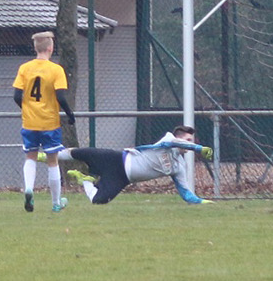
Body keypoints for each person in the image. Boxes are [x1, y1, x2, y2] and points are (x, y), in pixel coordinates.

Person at [46, 125, 214, 205]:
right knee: (81, 153)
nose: (190, 143)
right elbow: (178, 143)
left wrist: (201, 202)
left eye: (193, 141)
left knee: (98, 201)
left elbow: (186, 194)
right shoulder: (168, 140)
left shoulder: (179, 168)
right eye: (188, 140)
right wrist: (199, 148)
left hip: (123, 178)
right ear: (179, 138)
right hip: (118, 159)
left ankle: (85, 180)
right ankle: (48, 155)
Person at [13, 30, 76, 212]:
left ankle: (29, 189)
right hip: (49, 122)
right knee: (52, 161)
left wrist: (27, 109)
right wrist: (70, 115)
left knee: (30, 157)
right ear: (50, 47)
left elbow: (17, 95)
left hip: (30, 122)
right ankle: (56, 203)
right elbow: (61, 97)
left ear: (35, 47)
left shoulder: (25, 68)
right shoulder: (56, 70)